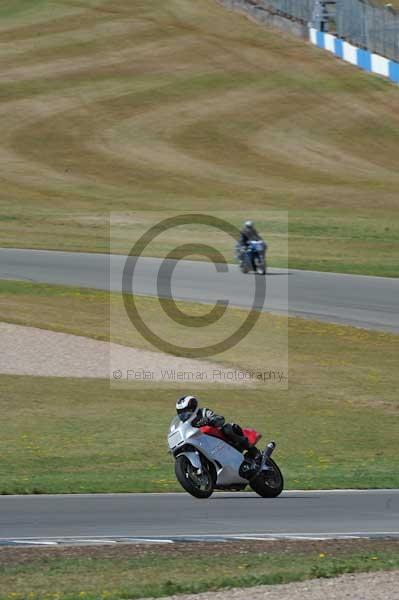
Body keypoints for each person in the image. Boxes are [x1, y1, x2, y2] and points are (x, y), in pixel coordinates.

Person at [175, 395, 259, 458]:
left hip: (219, 439)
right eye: (181, 412)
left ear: (193, 408)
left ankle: (252, 450)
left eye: (185, 411)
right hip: (204, 445)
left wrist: (210, 420)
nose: (184, 415)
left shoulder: (203, 412)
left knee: (228, 428)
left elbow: (220, 419)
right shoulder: (184, 425)